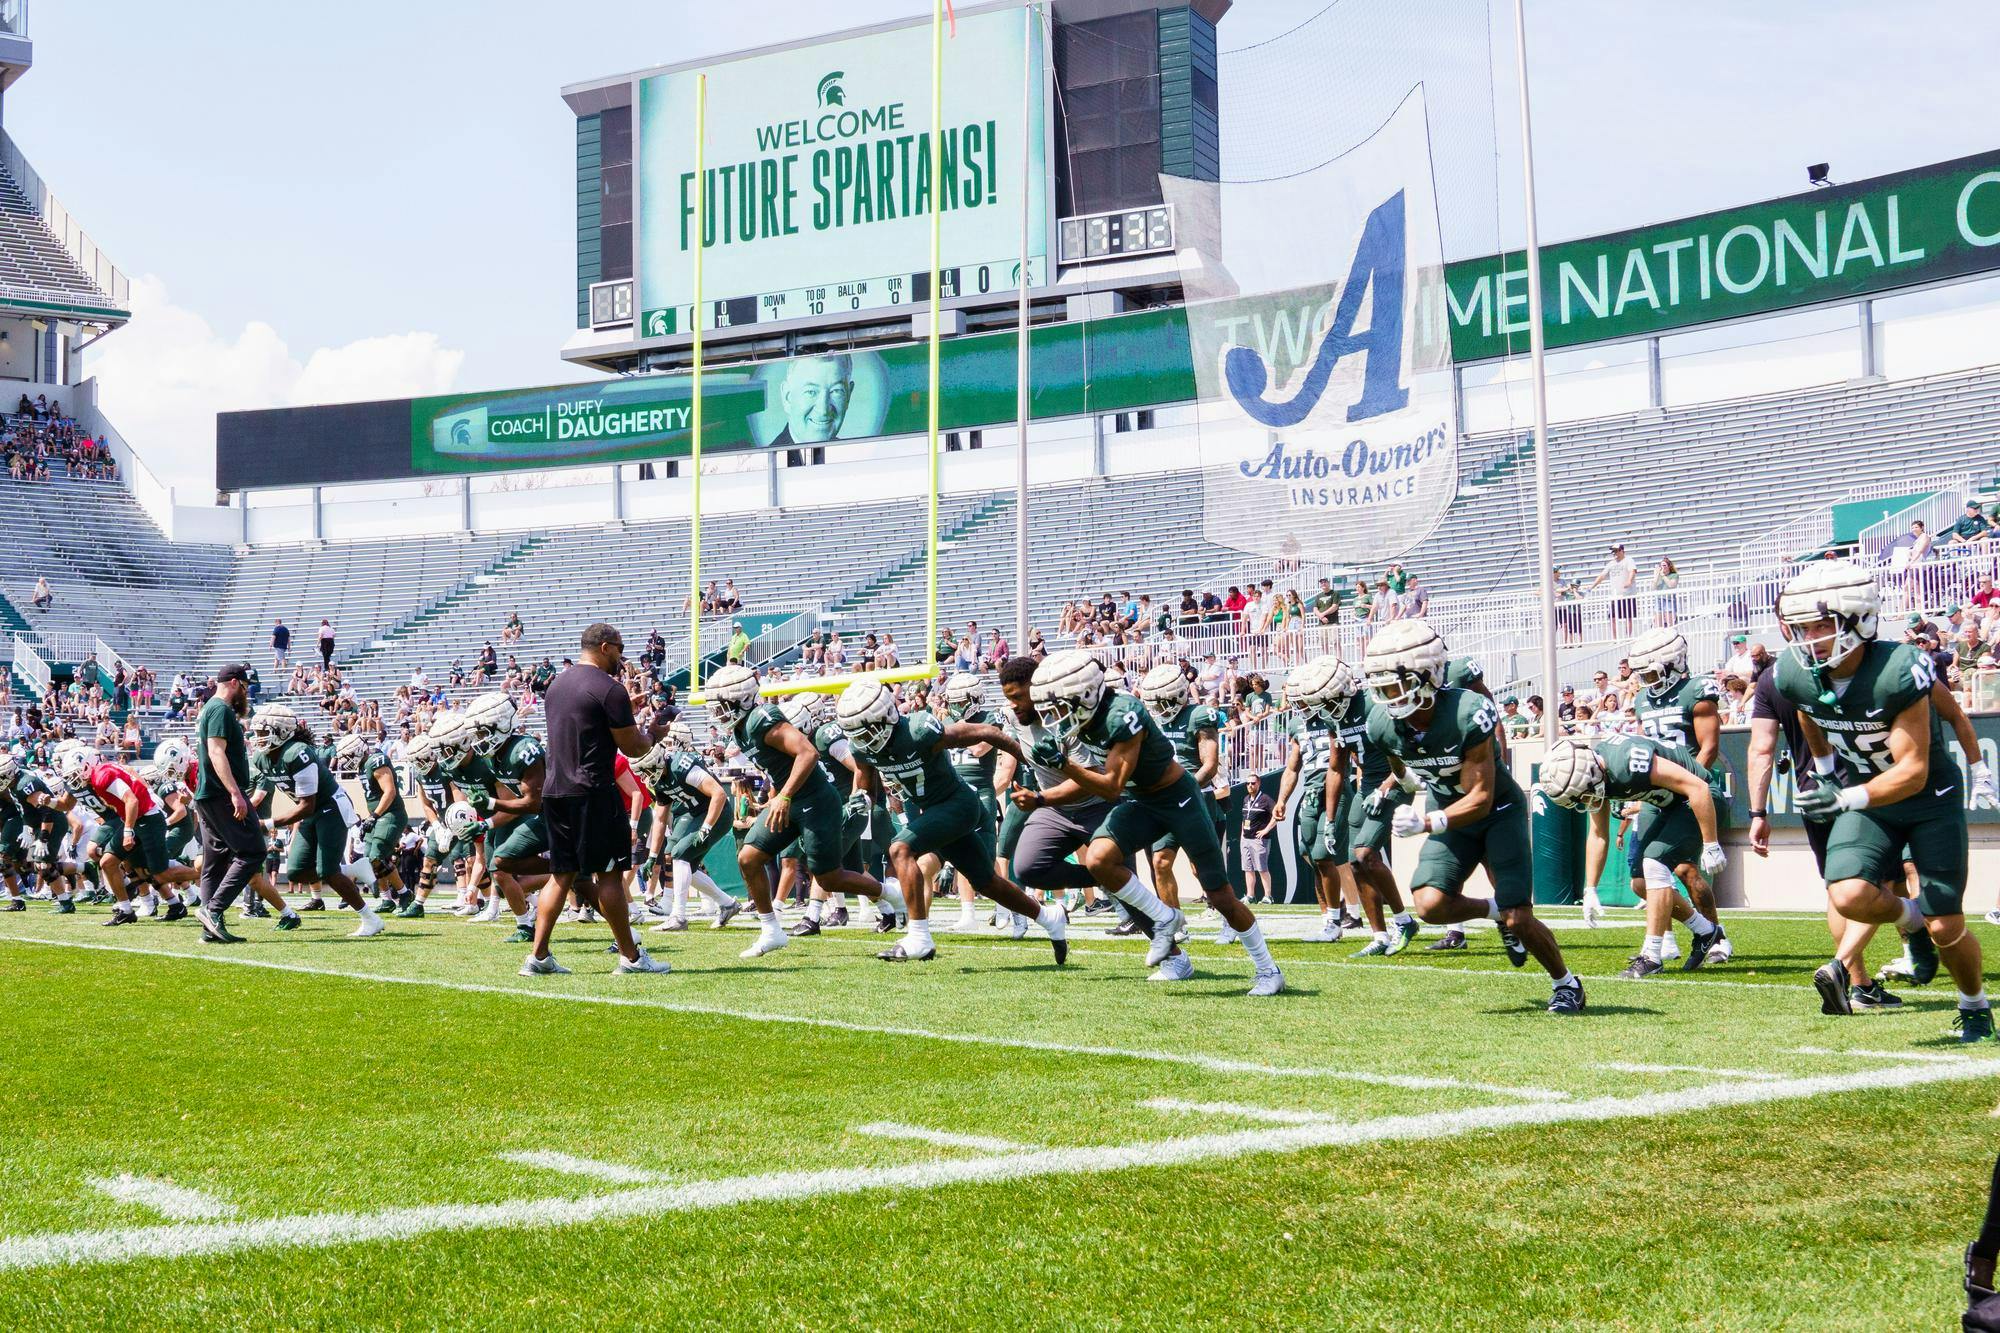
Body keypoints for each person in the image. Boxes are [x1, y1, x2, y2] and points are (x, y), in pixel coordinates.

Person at [1773, 561, 1993, 1038]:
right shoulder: (1794, 671)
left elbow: (1912, 771)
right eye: (1802, 626)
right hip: (1869, 796)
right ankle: (1910, 922)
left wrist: (1846, 797)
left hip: (1928, 797)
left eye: (1820, 626)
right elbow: (1810, 712)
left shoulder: (1897, 668)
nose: (1808, 638)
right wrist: (1827, 771)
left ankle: (1974, 1005)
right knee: (1848, 893)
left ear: (1859, 620)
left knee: (1945, 924)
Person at [1360, 619, 1584, 1013]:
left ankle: (1566, 983)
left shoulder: (1468, 710)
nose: (1388, 697)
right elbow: (1395, 757)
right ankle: (1493, 911)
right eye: (1381, 687)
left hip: (1497, 812)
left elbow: (1479, 797)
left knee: (1521, 919)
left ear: (1428, 676)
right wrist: (1407, 780)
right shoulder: (1381, 723)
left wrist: (1426, 822)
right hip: (1446, 808)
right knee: (1429, 906)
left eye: (1395, 685)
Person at [1031, 649, 1284, 994]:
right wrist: (1043, 796)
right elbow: (1096, 778)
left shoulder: (1124, 713)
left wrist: (1063, 764)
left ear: (1085, 694)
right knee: (1098, 859)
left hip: (1179, 798)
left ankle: (1268, 969)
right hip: (1143, 801)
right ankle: (1165, 920)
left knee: (1220, 894)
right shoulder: (1088, 721)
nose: (1057, 715)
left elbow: (1110, 785)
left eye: (1062, 704)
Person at [836, 677, 1064, 963]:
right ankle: (1049, 917)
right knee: (987, 882)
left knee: (900, 849)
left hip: (959, 804)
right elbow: (864, 777)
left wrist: (1029, 759)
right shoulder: (864, 748)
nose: (862, 739)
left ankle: (919, 937)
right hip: (933, 812)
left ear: (886, 718)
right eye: (856, 733)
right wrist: (860, 797)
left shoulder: (919, 730)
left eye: (866, 730)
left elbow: (986, 731)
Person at [521, 623, 669, 976]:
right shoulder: (610, 689)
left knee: (561, 876)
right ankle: (631, 959)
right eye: (618, 649)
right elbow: (633, 747)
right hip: (592, 793)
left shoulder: (557, 684)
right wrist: (653, 733)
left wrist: (620, 710)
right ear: (605, 647)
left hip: (557, 791)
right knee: (610, 877)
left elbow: (584, 721)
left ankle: (538, 957)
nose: (621, 656)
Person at [1539, 733, 1728, 980]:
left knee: (1654, 862)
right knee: (1640, 883)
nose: (1585, 801)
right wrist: (1590, 889)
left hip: (1700, 797)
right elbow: (1598, 834)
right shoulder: (1598, 773)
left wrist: (1711, 843)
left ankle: (1651, 956)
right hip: (1664, 803)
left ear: (1590, 775)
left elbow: (1698, 786)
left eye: (1583, 795)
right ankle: (1706, 932)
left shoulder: (1628, 760)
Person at [1625, 626, 1732, 960]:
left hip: (1691, 790)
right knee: (1642, 879)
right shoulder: (1643, 699)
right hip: (1657, 795)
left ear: (1674, 663)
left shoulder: (1696, 691)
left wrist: (1686, 787)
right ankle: (1670, 937)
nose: (1648, 680)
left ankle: (1717, 937)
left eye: (1653, 672)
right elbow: (1643, 748)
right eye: (1642, 674)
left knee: (1684, 870)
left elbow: (1709, 748)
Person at [190, 664, 266, 943]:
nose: (246, 694)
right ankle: (214, 910)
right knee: (253, 851)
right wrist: (235, 793)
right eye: (245, 688)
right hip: (222, 794)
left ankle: (209, 928)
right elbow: (216, 752)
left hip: (208, 794)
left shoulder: (209, 707)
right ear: (235, 683)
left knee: (216, 860)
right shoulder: (221, 709)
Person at [770, 353, 854, 446]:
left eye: (836, 391)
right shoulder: (763, 459)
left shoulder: (854, 455)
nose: (823, 410)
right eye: (811, 392)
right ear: (787, 397)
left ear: (848, 395)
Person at [1587, 542, 1639, 640]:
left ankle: (1628, 637)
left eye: (1616, 551)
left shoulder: (1628, 560)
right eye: (1613, 551)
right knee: (1612, 617)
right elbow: (1602, 576)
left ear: (1622, 551)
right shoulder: (1611, 564)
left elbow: (1632, 571)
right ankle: (1615, 638)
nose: (1614, 553)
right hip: (1615, 595)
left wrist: (1629, 581)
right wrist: (1592, 586)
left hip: (1627, 594)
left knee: (1628, 617)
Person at [1238, 773, 1275, 905]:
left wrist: (1266, 830)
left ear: (1258, 784)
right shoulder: (1246, 799)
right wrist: (1242, 833)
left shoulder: (1265, 799)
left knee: (1262, 868)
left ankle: (1268, 896)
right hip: (1246, 839)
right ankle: (1250, 896)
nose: (1250, 786)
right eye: (1247, 783)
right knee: (1248, 868)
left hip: (1259, 840)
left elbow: (1277, 815)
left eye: (1253, 783)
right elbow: (1244, 818)